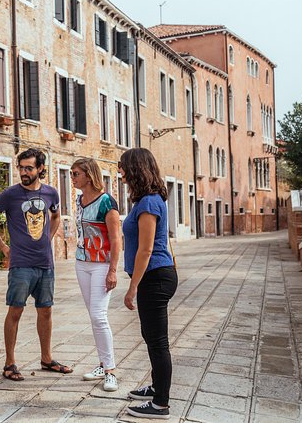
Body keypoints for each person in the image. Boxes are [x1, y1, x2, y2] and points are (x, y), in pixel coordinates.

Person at [0, 148, 72, 381]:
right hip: (20, 263)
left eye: (29, 168)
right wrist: (3, 246)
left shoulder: (51, 193)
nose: (24, 172)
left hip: (45, 263)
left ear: (40, 169)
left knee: (45, 310)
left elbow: (56, 216)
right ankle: (9, 363)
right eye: (21, 168)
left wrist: (48, 238)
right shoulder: (10, 194)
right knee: (15, 310)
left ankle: (46, 359)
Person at [119, 148, 178, 419]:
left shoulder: (149, 204)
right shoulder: (148, 201)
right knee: (151, 338)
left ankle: (160, 404)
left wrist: (132, 288)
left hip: (153, 278)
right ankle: (156, 389)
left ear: (135, 170)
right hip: (155, 276)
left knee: (157, 342)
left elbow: (146, 249)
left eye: (123, 169)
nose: (121, 175)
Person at [70, 158, 121, 392]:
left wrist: (112, 270)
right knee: (93, 316)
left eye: (76, 173)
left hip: (101, 265)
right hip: (82, 263)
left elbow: (115, 238)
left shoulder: (106, 202)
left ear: (89, 176)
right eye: (71, 173)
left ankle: (110, 371)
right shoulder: (79, 200)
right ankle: (103, 363)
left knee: (99, 316)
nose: (72, 177)